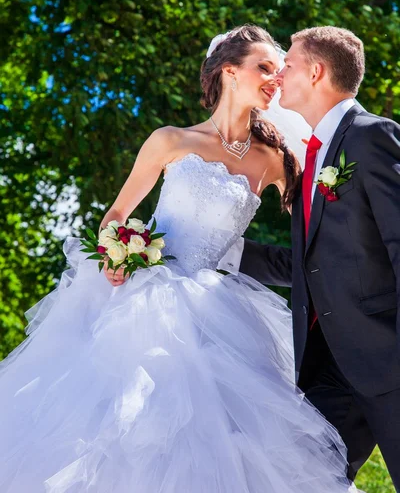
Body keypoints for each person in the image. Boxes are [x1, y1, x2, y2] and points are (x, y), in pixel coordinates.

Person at [0, 26, 360, 492]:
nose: (275, 78)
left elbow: (316, 232)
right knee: (129, 425)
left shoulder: (275, 159)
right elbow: (116, 214)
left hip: (220, 309)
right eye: (265, 67)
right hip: (148, 299)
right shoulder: (172, 140)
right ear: (230, 72)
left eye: (279, 68)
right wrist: (117, 252)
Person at [240, 26, 400, 491]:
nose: (278, 76)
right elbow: (312, 263)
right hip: (330, 369)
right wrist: (216, 250)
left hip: (388, 362)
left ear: (315, 72)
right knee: (294, 479)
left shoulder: (372, 136)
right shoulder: (311, 158)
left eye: (285, 65)